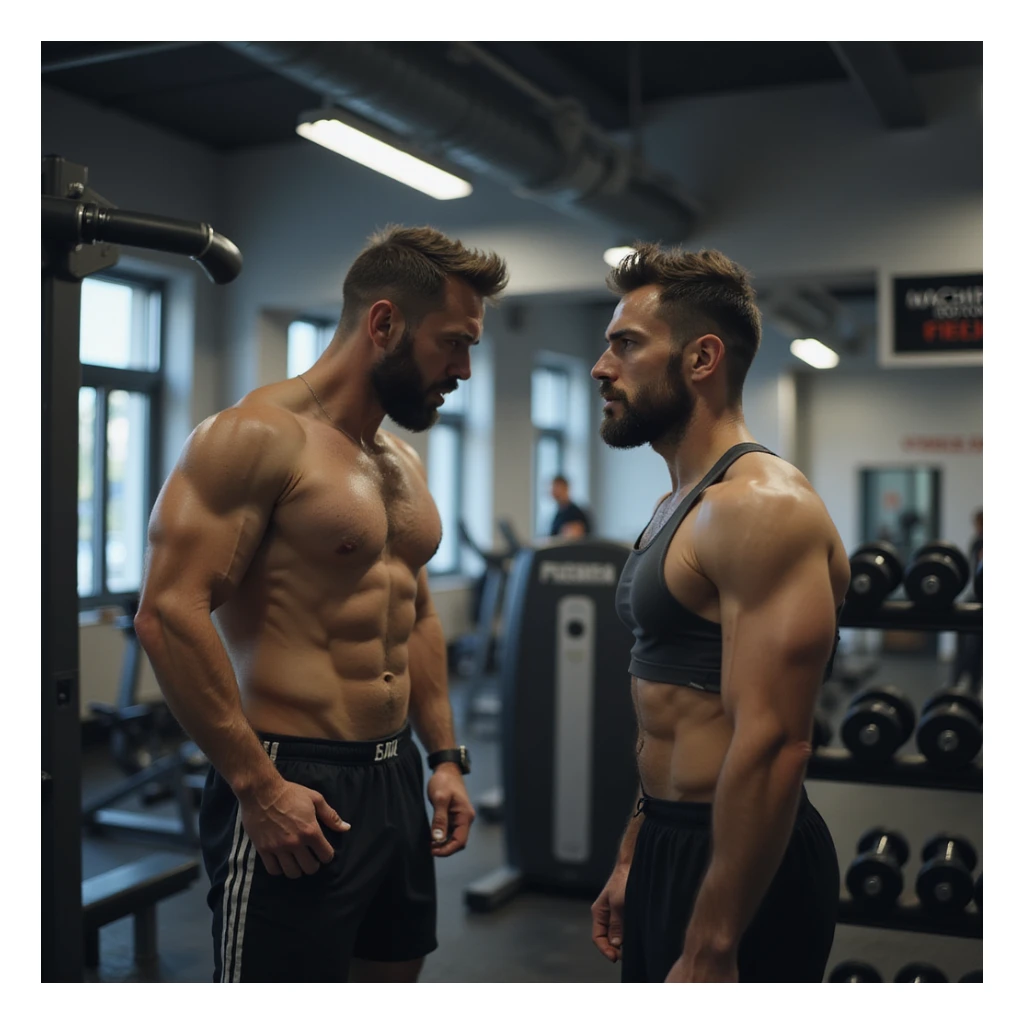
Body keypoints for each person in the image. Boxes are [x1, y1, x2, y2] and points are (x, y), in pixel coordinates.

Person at [134, 225, 508, 982]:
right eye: (454, 343)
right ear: (383, 324)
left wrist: (443, 757)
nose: (464, 368)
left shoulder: (398, 460)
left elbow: (418, 614)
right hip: (290, 773)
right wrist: (258, 788)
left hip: (394, 771)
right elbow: (168, 611)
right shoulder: (253, 435)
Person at [588, 244, 850, 983]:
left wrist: (712, 941)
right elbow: (669, 705)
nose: (601, 368)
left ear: (702, 359)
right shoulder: (679, 503)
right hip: (672, 843)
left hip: (742, 860)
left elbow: (772, 743)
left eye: (626, 344)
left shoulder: (762, 508)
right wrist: (636, 852)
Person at [549, 474, 591, 539]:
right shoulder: (559, 513)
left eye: (556, 487)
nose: (553, 491)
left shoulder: (575, 513)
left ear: (565, 488)